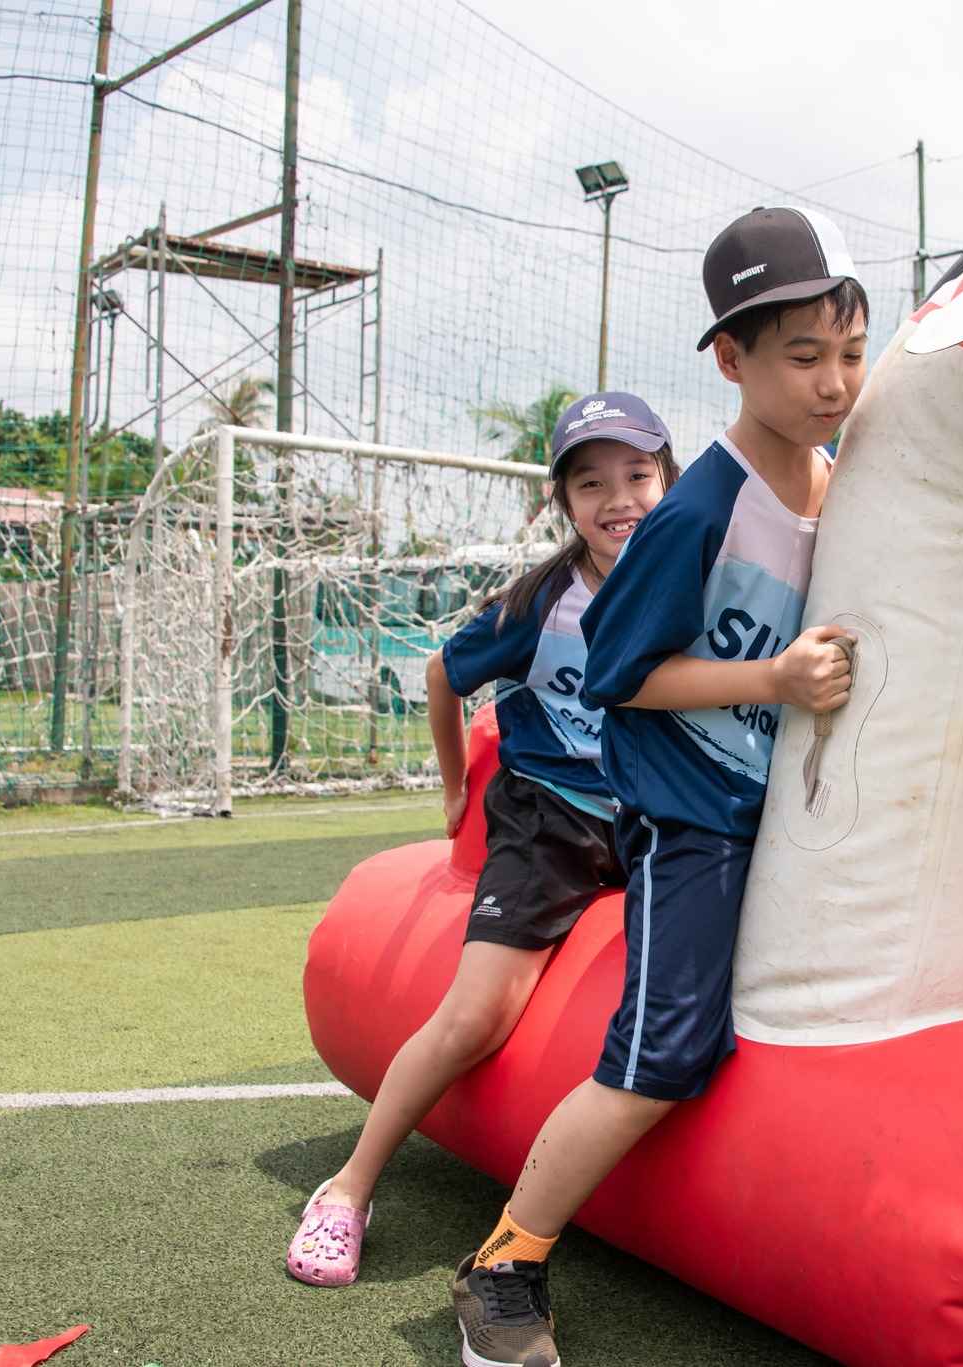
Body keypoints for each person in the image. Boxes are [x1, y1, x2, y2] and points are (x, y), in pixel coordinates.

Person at [449, 206, 869, 1366]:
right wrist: (772, 677)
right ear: (730, 359)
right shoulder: (696, 508)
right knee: (662, 1053)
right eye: (802, 355)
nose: (834, 381)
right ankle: (505, 1260)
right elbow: (620, 676)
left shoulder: (835, 475)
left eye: (849, 351)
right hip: (688, 816)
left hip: (774, 804)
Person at [284, 392, 681, 1287]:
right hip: (550, 820)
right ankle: (347, 1189)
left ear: (669, 480)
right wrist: (457, 784)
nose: (619, 498)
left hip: (650, 815)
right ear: (563, 501)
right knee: (475, 1017)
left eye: (637, 475)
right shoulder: (543, 605)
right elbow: (442, 672)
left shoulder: (688, 585)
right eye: (591, 483)